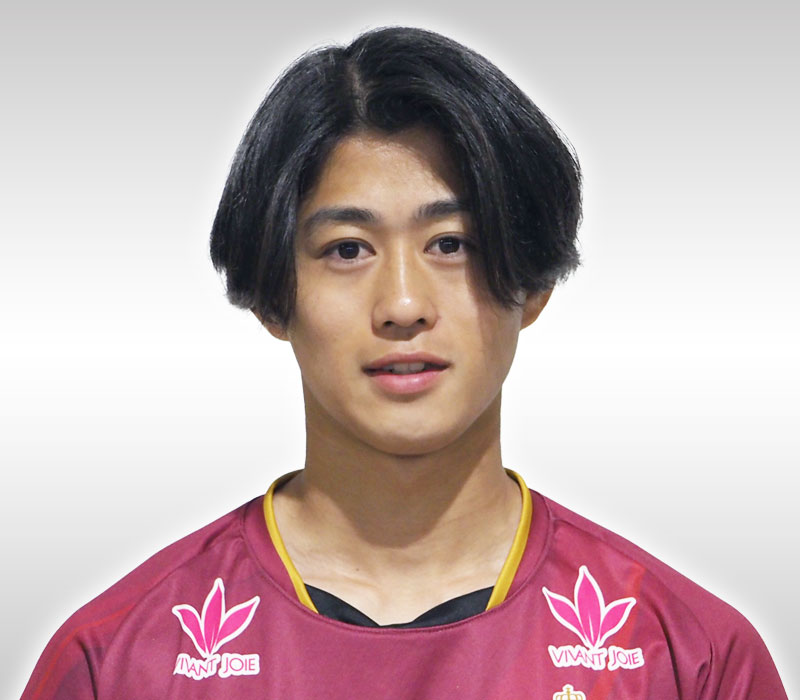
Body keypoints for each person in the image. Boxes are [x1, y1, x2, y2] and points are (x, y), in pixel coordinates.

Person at [21, 26, 787, 699]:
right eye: (347, 250)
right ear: (271, 295)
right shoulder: (121, 659)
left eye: (451, 244)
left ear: (533, 283)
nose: (403, 304)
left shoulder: (686, 656)